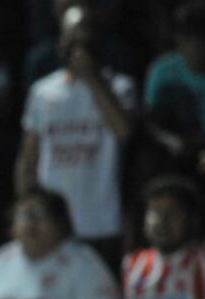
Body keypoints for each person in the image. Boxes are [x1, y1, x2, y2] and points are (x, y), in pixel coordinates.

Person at [15, 3, 136, 269]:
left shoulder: (120, 87)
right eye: (72, 39)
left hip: (101, 221)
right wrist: (25, 209)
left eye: (85, 39)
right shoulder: (43, 92)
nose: (78, 48)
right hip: (53, 225)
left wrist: (91, 78)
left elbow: (124, 132)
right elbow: (28, 157)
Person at [143, 0, 205, 180]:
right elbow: (151, 123)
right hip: (172, 152)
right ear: (178, 39)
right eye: (187, 38)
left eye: (201, 39)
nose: (194, 46)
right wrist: (173, 142)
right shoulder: (162, 70)